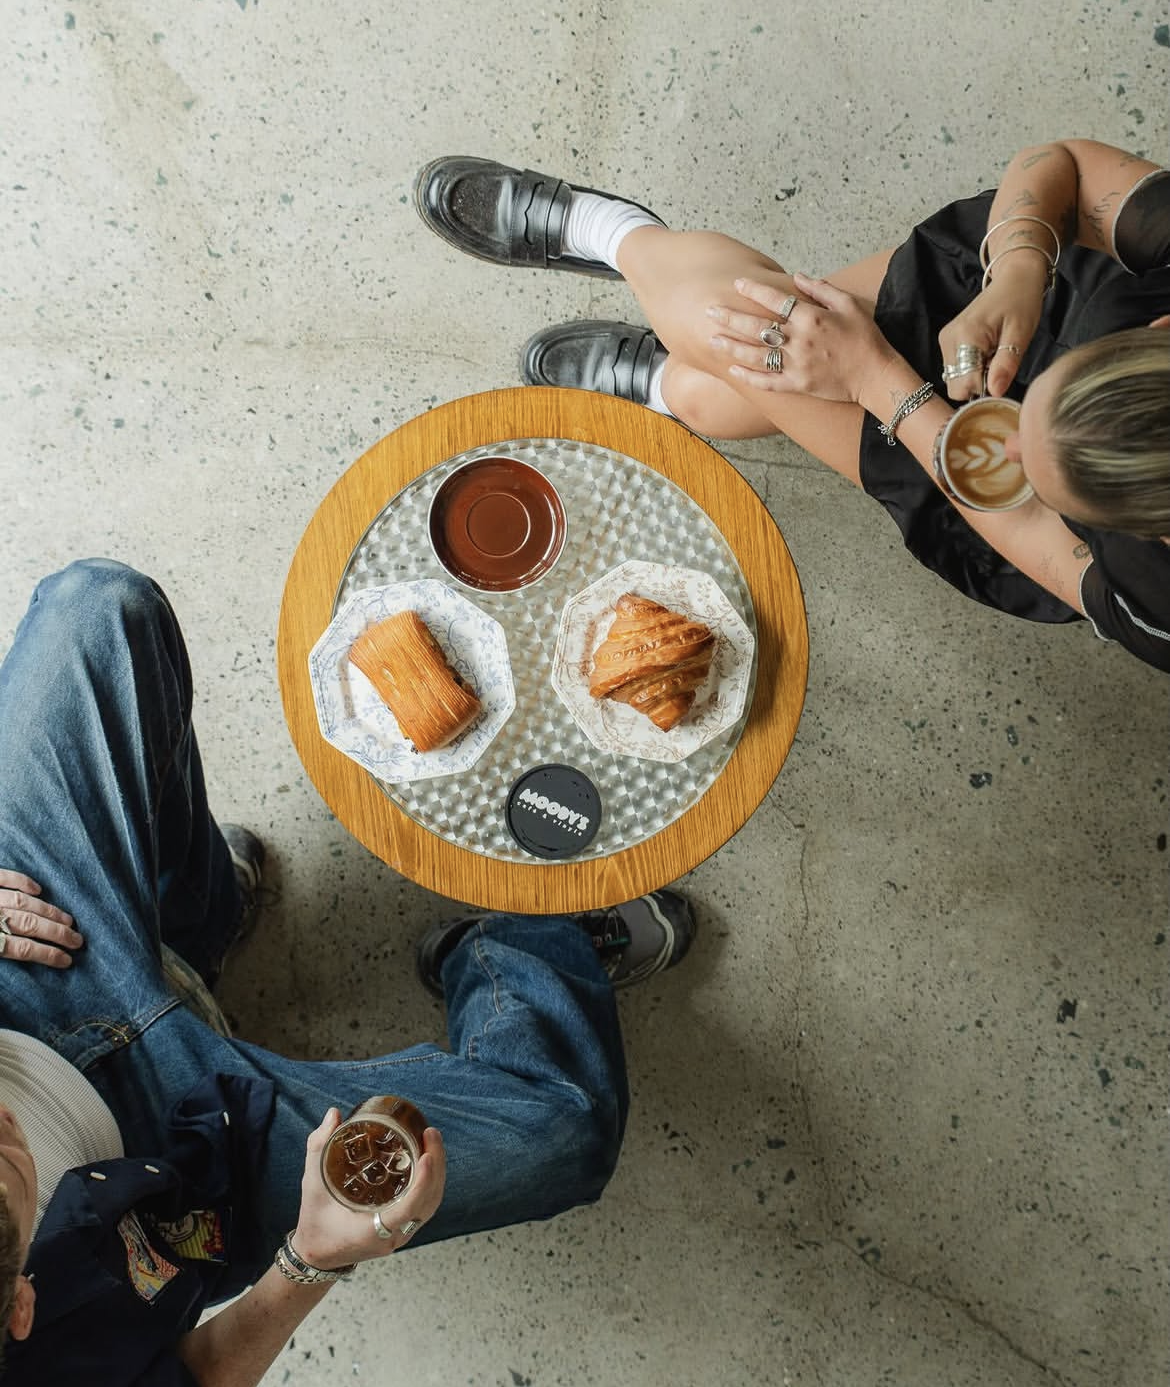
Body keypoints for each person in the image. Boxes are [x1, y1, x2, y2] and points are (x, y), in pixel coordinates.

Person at [0, 558, 696, 1386]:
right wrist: (311, 1259)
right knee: (563, 1132)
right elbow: (199, 1372)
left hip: (25, 980)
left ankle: (199, 919)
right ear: (19, 1308)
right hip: (171, 1193)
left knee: (100, 610)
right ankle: (512, 938)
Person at [413, 141, 1170, 672]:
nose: (1003, 438)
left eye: (1037, 469)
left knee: (717, 357)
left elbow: (1032, 527)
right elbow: (1060, 164)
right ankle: (618, 242)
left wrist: (875, 378)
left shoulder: (1158, 602)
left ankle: (660, 337)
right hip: (1031, 300)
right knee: (721, 346)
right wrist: (1018, 269)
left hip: (980, 503)